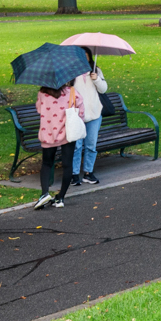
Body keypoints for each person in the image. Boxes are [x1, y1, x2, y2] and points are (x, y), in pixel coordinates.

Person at [32, 82, 80, 210]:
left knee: (47, 164)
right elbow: (81, 112)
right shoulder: (71, 92)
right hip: (67, 134)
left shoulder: (42, 94)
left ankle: (44, 193)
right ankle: (61, 197)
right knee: (67, 165)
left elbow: (39, 109)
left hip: (48, 133)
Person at [72, 55, 109, 186]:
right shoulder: (71, 71)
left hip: (94, 114)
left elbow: (103, 89)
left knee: (91, 145)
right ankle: (74, 174)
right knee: (76, 146)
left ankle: (88, 173)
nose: (84, 57)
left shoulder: (95, 70)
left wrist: (96, 79)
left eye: (86, 55)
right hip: (76, 115)